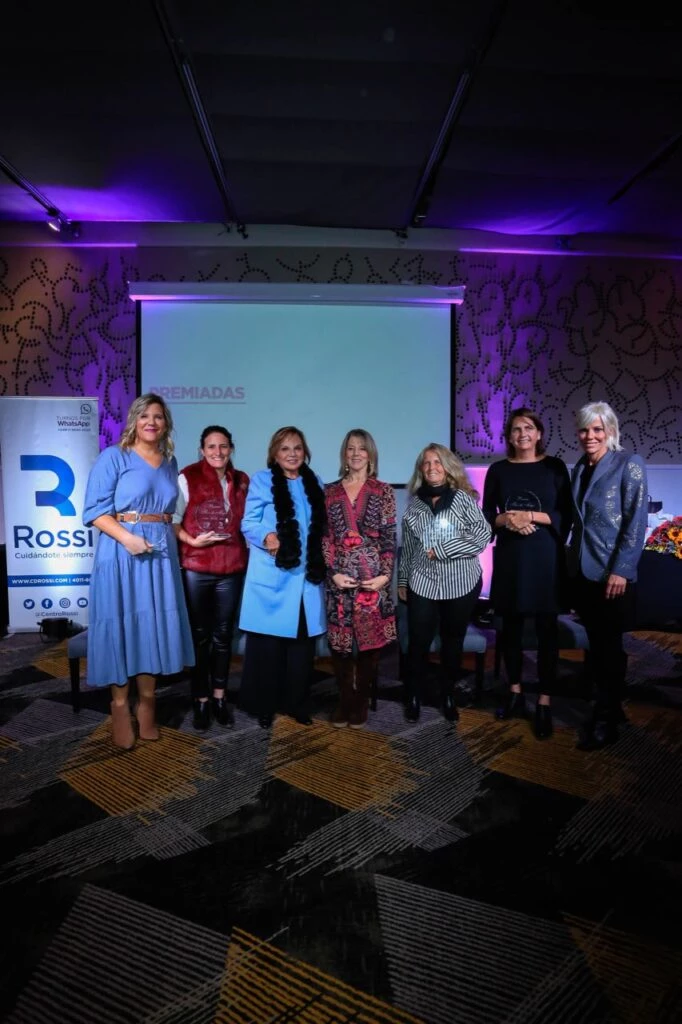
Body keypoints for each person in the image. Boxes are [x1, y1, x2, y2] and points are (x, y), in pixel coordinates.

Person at [83, 393, 194, 749]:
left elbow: (168, 514)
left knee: (152, 625)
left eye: (158, 416)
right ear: (134, 419)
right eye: (145, 415)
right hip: (120, 553)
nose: (151, 422)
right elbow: (95, 511)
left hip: (160, 554)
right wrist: (127, 539)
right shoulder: (114, 457)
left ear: (166, 423)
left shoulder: (170, 462)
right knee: (122, 623)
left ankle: (147, 705)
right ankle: (119, 707)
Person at [482, 408, 573, 739]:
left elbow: (566, 513)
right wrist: (508, 520)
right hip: (510, 558)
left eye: (529, 427)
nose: (522, 433)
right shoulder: (498, 470)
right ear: (508, 437)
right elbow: (487, 514)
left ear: (538, 433)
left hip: (545, 559)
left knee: (548, 630)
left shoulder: (555, 467)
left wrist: (531, 516)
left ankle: (545, 701)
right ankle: (517, 692)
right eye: (516, 429)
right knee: (510, 630)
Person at [569, 400, 647, 749]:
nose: (590, 435)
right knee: (598, 645)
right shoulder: (579, 468)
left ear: (611, 431)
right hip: (583, 571)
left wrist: (622, 569)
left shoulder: (628, 464)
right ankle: (610, 706)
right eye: (585, 429)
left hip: (611, 572)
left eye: (598, 429)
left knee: (609, 647)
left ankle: (605, 718)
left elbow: (636, 519)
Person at [238, 426, 326, 728]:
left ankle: (297, 703)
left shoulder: (315, 483)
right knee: (269, 647)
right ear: (275, 453)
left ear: (305, 452)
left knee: (301, 647)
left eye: (297, 448)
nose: (292, 454)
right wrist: (269, 536)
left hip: (305, 580)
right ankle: (264, 705)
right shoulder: (262, 481)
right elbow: (248, 522)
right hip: (273, 576)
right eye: (285, 448)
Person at [398, 443, 490, 723]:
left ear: (447, 467)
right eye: (426, 463)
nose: (431, 468)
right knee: (419, 642)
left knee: (453, 641)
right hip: (423, 581)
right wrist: (403, 580)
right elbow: (410, 550)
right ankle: (414, 695)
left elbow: (483, 535)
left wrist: (444, 550)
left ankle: (447, 694)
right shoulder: (413, 508)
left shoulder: (463, 499)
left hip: (461, 581)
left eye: (437, 462)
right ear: (420, 470)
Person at [174, 426, 249, 731]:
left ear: (231, 448)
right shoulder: (187, 476)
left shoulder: (242, 480)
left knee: (223, 637)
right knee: (200, 637)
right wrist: (192, 542)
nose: (217, 452)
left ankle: (220, 697)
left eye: (223, 446)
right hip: (197, 567)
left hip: (232, 568)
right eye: (211, 447)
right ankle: (200, 699)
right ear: (202, 449)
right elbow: (174, 522)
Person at [323, 429, 397, 728]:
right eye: (350, 448)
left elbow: (390, 538)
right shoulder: (328, 492)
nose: (355, 454)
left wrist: (385, 577)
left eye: (361, 449)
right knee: (340, 646)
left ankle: (361, 701)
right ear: (344, 454)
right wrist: (333, 574)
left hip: (372, 580)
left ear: (371, 454)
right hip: (341, 580)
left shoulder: (384, 491)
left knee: (369, 646)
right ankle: (344, 699)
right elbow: (325, 538)